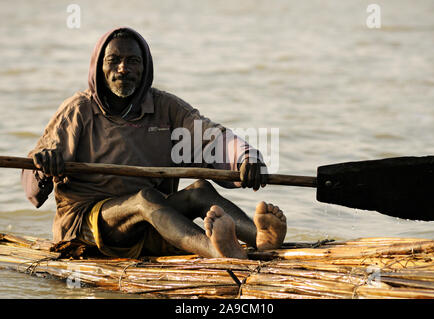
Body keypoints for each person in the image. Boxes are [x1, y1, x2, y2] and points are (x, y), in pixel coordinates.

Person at [21, 27, 286, 259]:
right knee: (144, 199)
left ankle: (260, 238)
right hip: (88, 226)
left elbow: (212, 137)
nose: (123, 69)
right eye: (114, 60)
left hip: (154, 221)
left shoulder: (165, 108)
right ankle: (219, 251)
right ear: (99, 67)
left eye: (132, 61)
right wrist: (44, 168)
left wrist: (246, 158)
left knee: (200, 190)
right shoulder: (78, 110)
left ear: (144, 68)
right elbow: (34, 183)